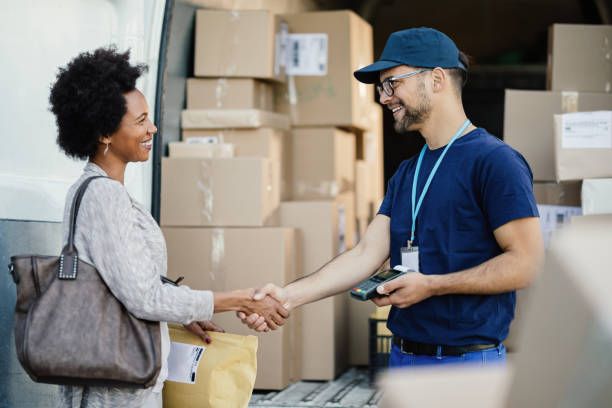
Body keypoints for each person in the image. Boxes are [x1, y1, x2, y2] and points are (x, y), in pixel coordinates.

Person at [240, 27, 544, 367]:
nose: (384, 97)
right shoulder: (407, 173)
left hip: (465, 364)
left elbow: (526, 263)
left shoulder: (496, 162)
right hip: (404, 357)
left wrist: (431, 285)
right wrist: (287, 296)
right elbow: (365, 253)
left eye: (392, 83)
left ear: (437, 79)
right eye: (381, 87)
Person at [50, 47, 287, 407]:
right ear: (104, 133)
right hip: (113, 390)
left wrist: (186, 312)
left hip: (122, 380)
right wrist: (233, 299)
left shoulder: (103, 191)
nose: (153, 128)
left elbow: (127, 281)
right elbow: (144, 296)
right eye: (141, 120)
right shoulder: (104, 197)